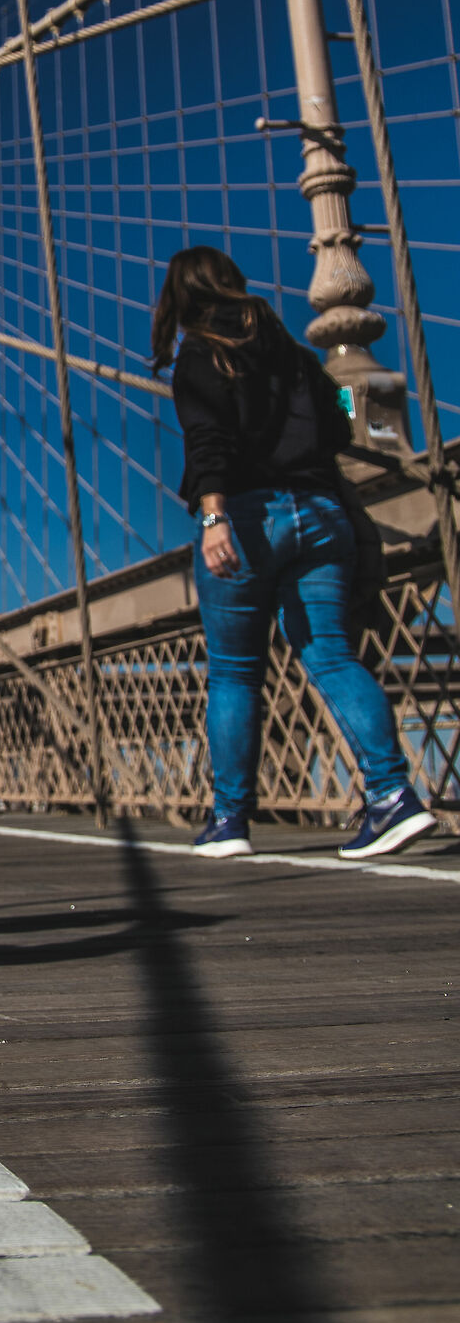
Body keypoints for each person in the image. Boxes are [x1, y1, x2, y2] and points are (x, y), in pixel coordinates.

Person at [157, 246, 435, 862]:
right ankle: (392, 796)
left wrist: (212, 518)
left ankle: (229, 821)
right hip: (322, 513)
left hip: (248, 518)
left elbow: (209, 440)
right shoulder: (296, 355)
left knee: (234, 672)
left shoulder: (200, 353)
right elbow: (338, 425)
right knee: (333, 657)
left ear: (181, 297)